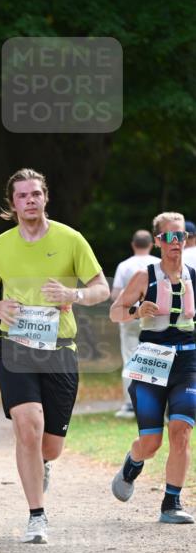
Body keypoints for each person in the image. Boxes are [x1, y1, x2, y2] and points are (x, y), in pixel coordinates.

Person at [0, 168, 109, 544]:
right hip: (14, 345)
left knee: (50, 446)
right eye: (22, 195)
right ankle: (37, 515)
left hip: (59, 349)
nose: (30, 200)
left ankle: (43, 463)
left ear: (45, 197)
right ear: (12, 203)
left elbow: (101, 288)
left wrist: (73, 295)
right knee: (28, 425)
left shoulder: (71, 239)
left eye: (35, 193)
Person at [110, 211, 195, 524]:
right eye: (169, 236)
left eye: (181, 235)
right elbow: (115, 312)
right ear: (158, 241)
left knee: (181, 431)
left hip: (187, 362)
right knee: (151, 443)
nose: (176, 242)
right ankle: (133, 463)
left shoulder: (194, 276)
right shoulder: (144, 276)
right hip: (152, 361)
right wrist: (136, 310)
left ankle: (171, 503)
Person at [111, 229, 157, 418]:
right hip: (153, 316)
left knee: (130, 357)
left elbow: (115, 294)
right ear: (151, 245)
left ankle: (130, 404)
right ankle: (155, 401)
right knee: (154, 357)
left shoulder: (124, 265)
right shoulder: (158, 263)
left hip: (130, 315)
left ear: (133, 245)